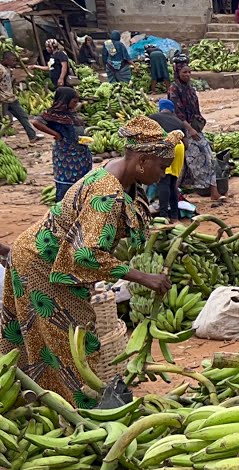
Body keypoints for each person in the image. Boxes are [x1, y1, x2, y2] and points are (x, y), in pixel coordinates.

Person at [0, 117, 176, 406]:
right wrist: (144, 277)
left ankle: (44, 402)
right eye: (161, 167)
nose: (164, 174)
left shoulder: (118, 175)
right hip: (42, 264)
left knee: (53, 338)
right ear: (142, 160)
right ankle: (76, 410)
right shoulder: (106, 192)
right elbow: (87, 255)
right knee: (68, 342)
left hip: (50, 260)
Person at [168, 59, 222, 206]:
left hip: (196, 128)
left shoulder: (190, 88)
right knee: (195, 162)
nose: (188, 75)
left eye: (189, 72)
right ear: (177, 73)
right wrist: (190, 130)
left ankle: (213, 191)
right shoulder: (174, 89)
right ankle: (204, 191)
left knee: (209, 156)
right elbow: (177, 114)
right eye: (184, 72)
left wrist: (198, 123)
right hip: (185, 131)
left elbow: (195, 108)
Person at [34, 88, 93, 201]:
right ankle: (63, 208)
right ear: (65, 101)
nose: (76, 104)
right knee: (66, 183)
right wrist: (55, 134)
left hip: (81, 154)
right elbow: (36, 122)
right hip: (66, 155)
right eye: (74, 102)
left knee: (82, 183)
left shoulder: (71, 113)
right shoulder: (53, 114)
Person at [149, 99, 187, 220]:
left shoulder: (153, 117)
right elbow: (187, 144)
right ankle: (175, 215)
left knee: (163, 181)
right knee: (172, 183)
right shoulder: (179, 121)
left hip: (166, 146)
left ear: (160, 108)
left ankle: (164, 215)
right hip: (179, 147)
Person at [1, 52, 38, 143]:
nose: (15, 63)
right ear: (6, 60)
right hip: (3, 99)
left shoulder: (8, 69)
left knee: (23, 116)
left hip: (11, 98)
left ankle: (32, 136)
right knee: (3, 121)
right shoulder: (0, 69)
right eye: (12, 60)